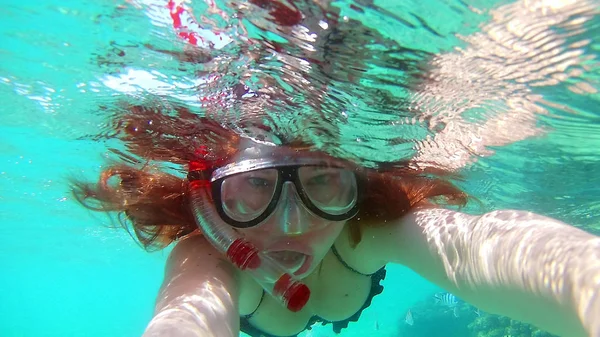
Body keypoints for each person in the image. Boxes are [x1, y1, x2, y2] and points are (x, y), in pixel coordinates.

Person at [77, 0, 600, 336]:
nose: (291, 224)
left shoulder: (361, 233)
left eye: (323, 183)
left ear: (356, 184)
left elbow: (470, 247)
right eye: (255, 188)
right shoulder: (210, 258)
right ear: (210, 195)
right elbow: (189, 315)